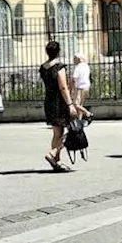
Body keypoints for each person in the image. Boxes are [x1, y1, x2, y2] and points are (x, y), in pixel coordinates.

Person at [39, 40, 80, 171]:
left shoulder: (43, 67)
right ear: (58, 52)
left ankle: (56, 162)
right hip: (59, 101)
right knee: (72, 130)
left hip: (49, 101)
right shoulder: (59, 67)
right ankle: (53, 153)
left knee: (57, 133)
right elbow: (63, 87)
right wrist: (70, 104)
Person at [71, 52, 92, 117]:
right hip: (86, 86)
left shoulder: (78, 67)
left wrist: (72, 88)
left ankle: (87, 112)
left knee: (75, 104)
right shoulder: (86, 66)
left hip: (80, 87)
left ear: (78, 59)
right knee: (80, 105)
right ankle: (79, 120)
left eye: (74, 58)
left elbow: (74, 79)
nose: (73, 60)